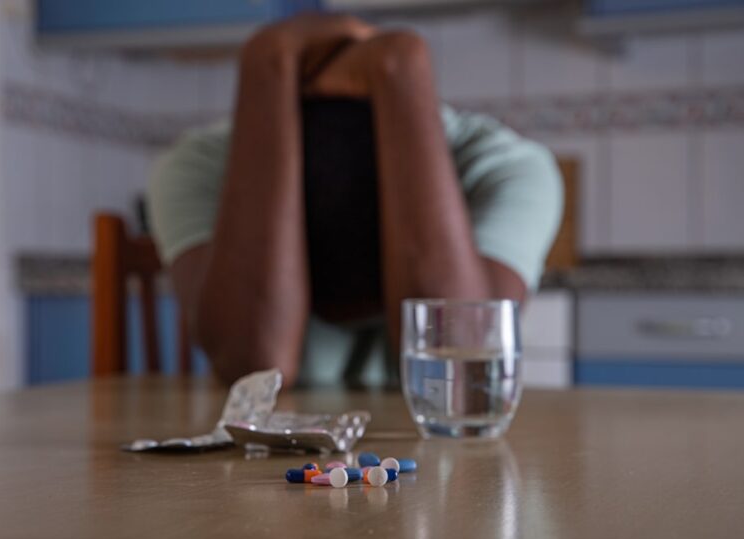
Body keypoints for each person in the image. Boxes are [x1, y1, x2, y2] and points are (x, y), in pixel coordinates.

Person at [147, 14, 562, 388]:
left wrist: (403, 67)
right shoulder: (197, 165)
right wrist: (266, 63)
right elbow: (251, 363)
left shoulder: (512, 168)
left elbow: (459, 368)